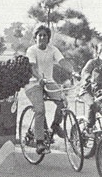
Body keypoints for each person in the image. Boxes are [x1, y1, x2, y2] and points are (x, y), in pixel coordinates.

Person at [24, 25, 73, 155]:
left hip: (49, 82)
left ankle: (55, 126)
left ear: (48, 38)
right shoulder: (31, 50)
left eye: (45, 35)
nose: (42, 37)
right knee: (40, 110)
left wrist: (73, 72)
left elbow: (62, 62)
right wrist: (39, 77)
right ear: (35, 38)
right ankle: (39, 142)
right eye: (39, 35)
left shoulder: (53, 50)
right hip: (33, 83)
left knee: (63, 102)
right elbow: (32, 67)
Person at [79, 43, 102, 134]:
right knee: (93, 104)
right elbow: (85, 72)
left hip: (99, 93)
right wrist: (88, 78)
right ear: (98, 52)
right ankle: (88, 127)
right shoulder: (93, 63)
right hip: (87, 90)